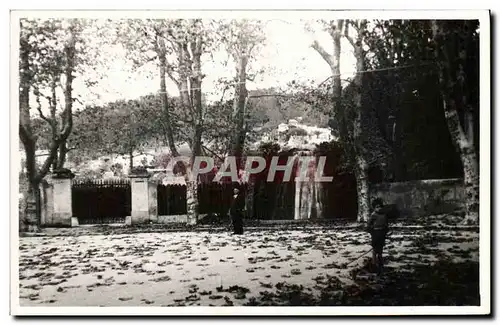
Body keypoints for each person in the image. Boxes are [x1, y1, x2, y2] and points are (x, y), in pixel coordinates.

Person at [366, 197, 389, 275]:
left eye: (380, 207)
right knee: (375, 249)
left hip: (382, 233)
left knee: (380, 249)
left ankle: (380, 263)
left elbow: (386, 224)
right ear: (374, 208)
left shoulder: (384, 215)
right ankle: (373, 263)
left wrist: (386, 231)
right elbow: (368, 225)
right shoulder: (373, 215)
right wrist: (372, 232)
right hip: (375, 233)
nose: (379, 209)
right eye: (377, 207)